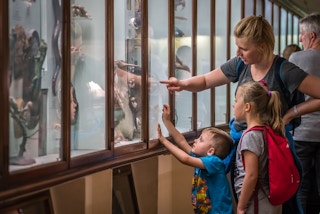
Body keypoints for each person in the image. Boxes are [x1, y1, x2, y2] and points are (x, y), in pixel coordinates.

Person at [160, 15, 320, 213]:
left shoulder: (285, 70)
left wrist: (292, 113)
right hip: (242, 145)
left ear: (261, 46)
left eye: (243, 48)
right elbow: (205, 81)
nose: (238, 52)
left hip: (270, 153)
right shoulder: (240, 64)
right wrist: (183, 84)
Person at [157, 104, 234, 214]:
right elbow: (181, 141)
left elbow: (185, 159)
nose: (195, 140)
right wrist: (167, 121)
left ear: (211, 151)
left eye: (201, 140)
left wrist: (163, 141)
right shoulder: (201, 158)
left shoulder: (214, 162)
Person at [283, 13, 320, 213]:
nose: (299, 39)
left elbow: (288, 93)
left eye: (301, 34)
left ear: (312, 36)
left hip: (303, 133)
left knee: (300, 185)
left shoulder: (297, 58)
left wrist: (290, 113)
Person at [233, 81, 283, 214]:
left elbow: (251, 175)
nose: (234, 105)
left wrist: (241, 206)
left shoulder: (251, 137)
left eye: (236, 100)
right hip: (270, 200)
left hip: (257, 203)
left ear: (247, 107)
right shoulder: (266, 130)